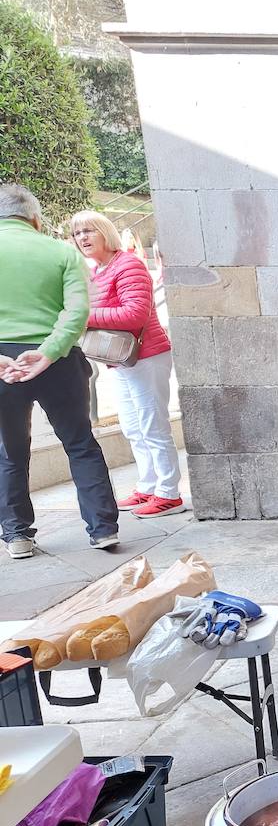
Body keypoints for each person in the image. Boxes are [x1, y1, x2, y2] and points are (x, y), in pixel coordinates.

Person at [0, 184, 119, 560]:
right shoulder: (61, 252)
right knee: (81, 444)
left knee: (9, 451)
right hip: (59, 360)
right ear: (34, 218)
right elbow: (77, 312)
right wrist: (49, 352)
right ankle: (103, 530)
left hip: (4, 365)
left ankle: (17, 535)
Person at [69, 210, 184, 517]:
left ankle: (169, 493)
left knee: (153, 426)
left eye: (89, 231)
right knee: (133, 427)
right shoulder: (98, 270)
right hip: (120, 361)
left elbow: (134, 314)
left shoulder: (128, 264)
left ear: (105, 232)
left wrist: (85, 317)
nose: (82, 238)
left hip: (146, 356)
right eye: (77, 233)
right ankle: (148, 486)